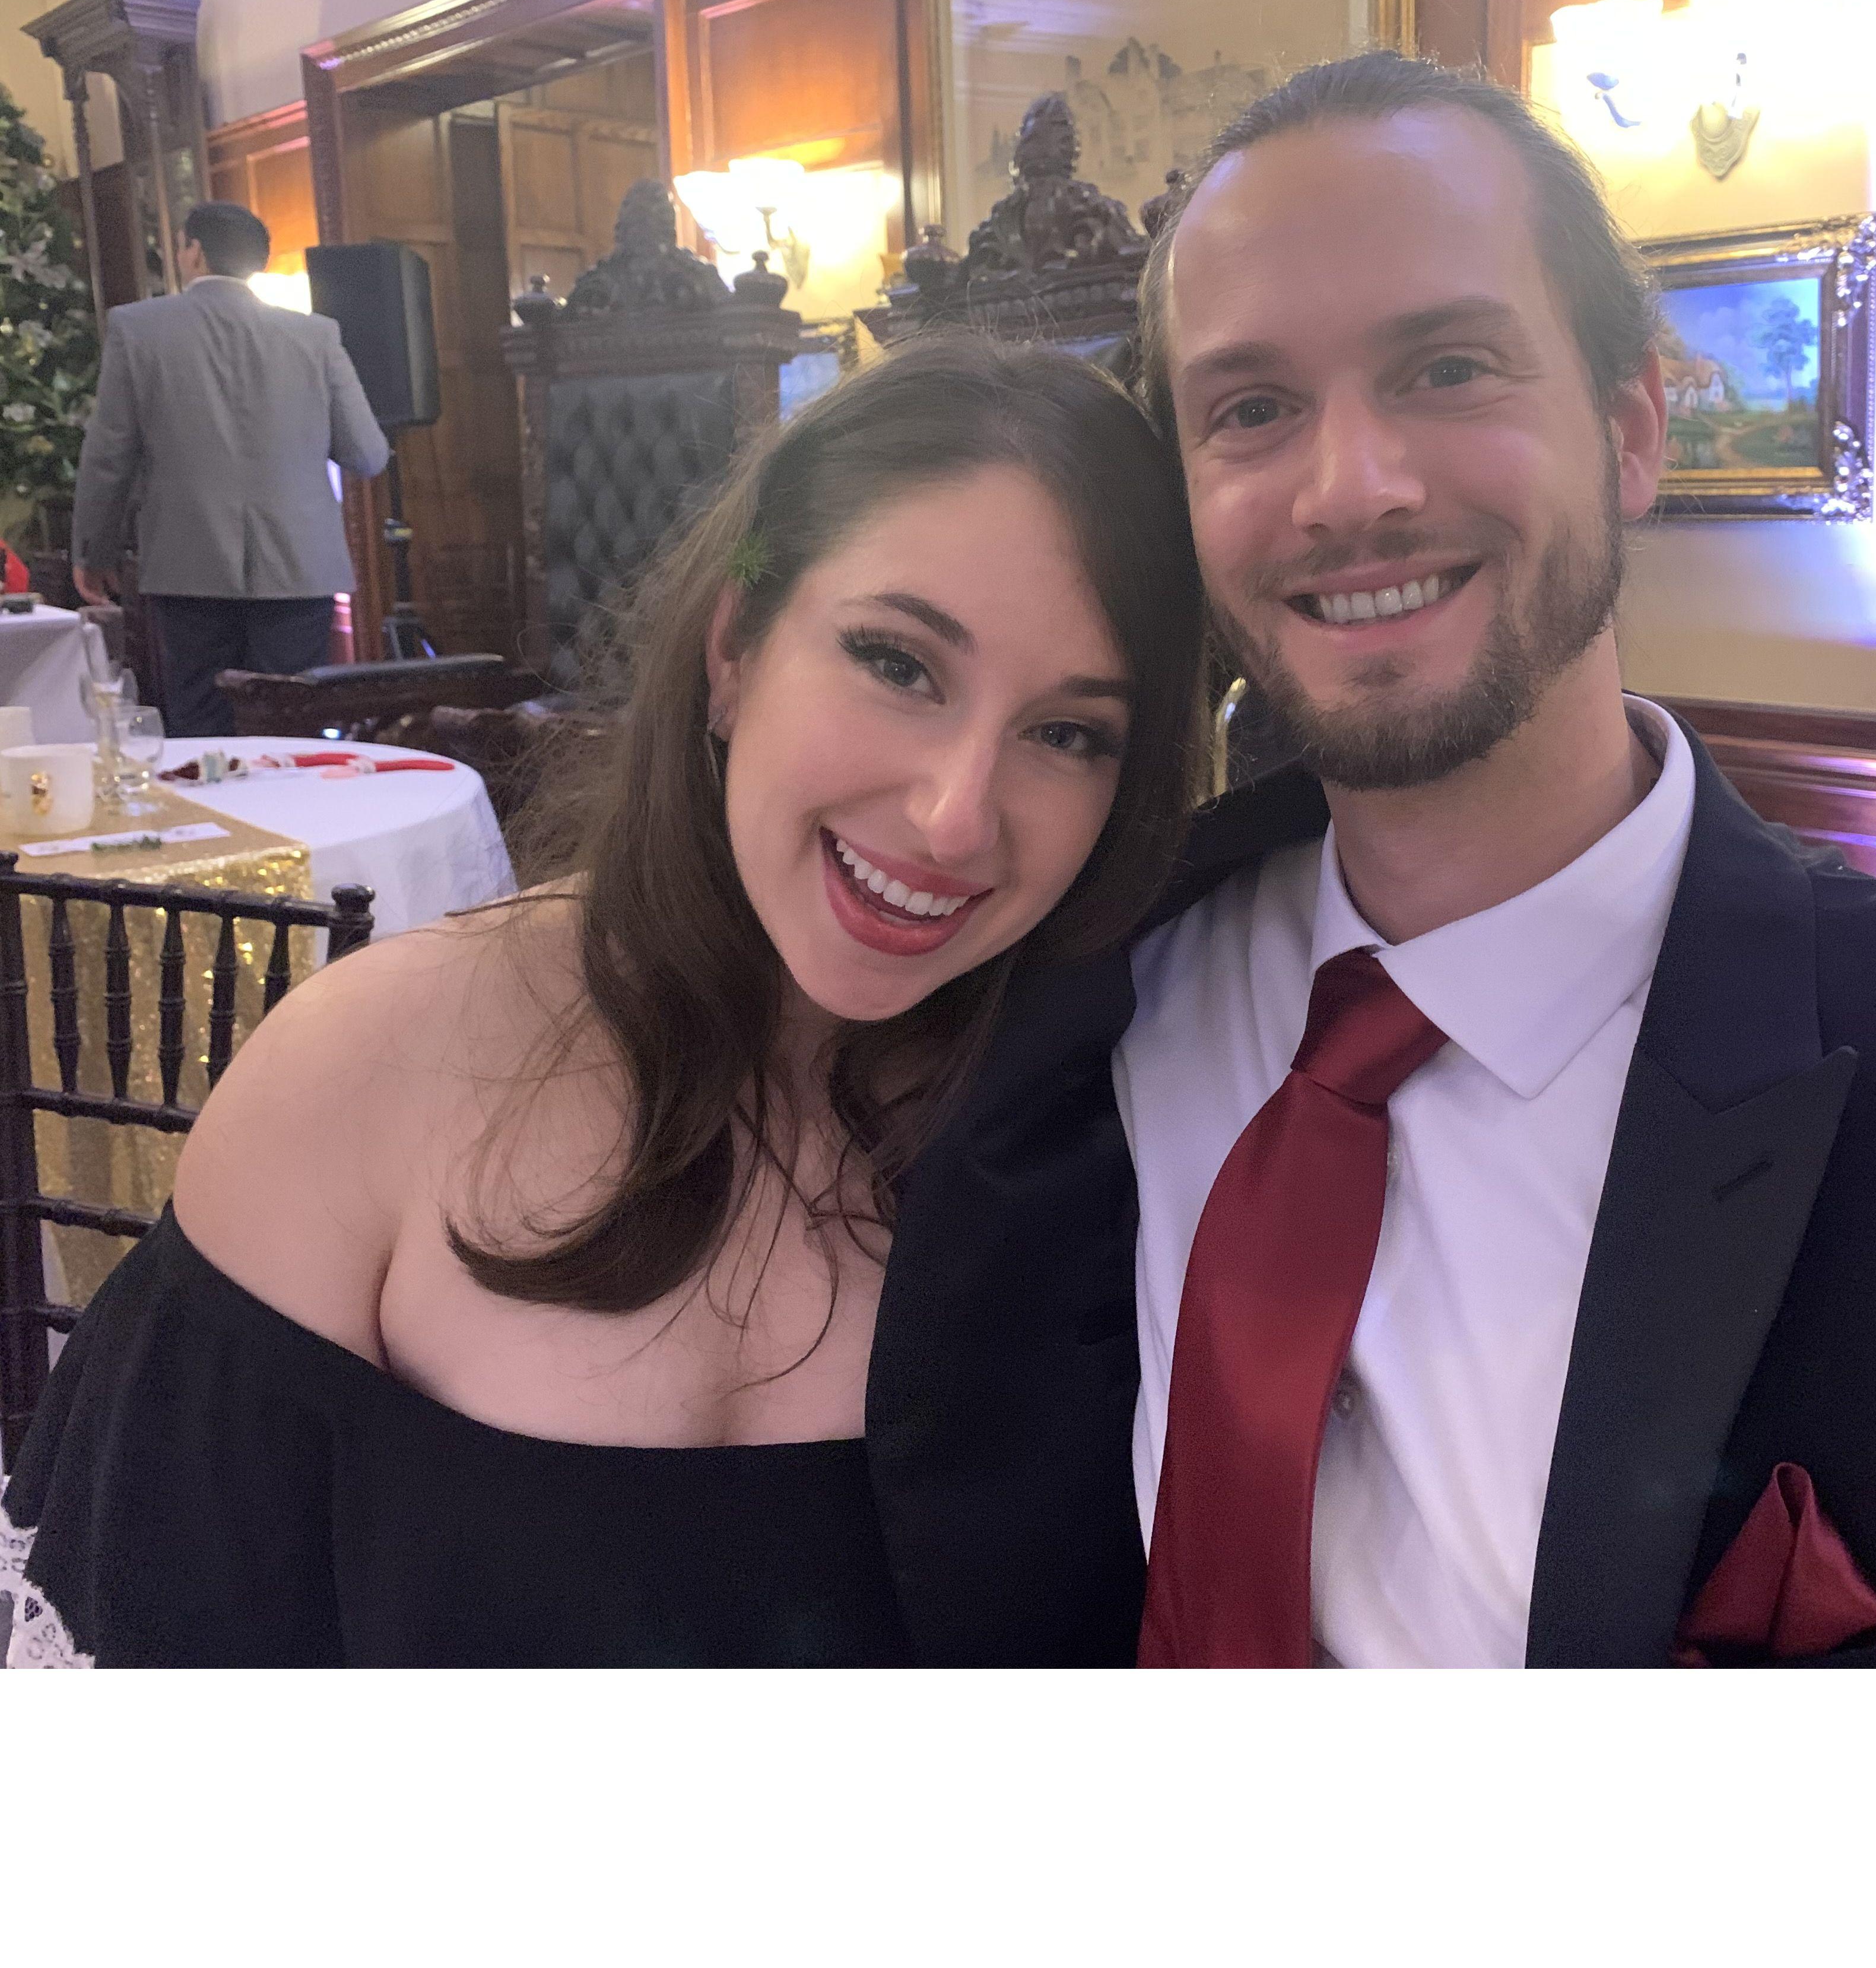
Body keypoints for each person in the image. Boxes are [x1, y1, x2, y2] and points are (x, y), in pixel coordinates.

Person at [1102, 52, 1876, 1667]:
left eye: (1447, 367)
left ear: (1634, 428)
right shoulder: (1098, 991)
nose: (1350, 486)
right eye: (1253, 409)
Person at [1, 334, 1204, 1665]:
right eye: (898, 664)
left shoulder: (1137, 1130)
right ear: (736, 646)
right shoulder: (367, 1076)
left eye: (1069, 733)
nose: (955, 815)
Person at [71, 200, 390, 735]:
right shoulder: (317, 336)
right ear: (259, 262)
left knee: (202, 726)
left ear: (193, 252)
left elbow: (109, 454)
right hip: (299, 566)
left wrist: (95, 552)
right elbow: (367, 454)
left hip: (189, 563)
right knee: (291, 730)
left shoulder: (138, 327)